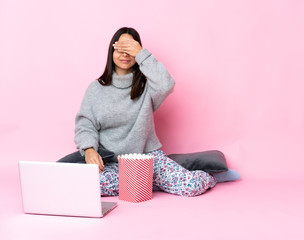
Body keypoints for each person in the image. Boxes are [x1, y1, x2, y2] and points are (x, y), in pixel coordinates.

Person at [63, 27, 219, 197]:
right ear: (111, 51)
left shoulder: (148, 87)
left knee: (191, 187)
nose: (124, 54)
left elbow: (166, 84)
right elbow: (85, 124)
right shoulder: (96, 89)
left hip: (148, 159)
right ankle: (149, 183)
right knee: (89, 186)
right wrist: (89, 149)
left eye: (129, 49)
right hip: (112, 163)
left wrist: (141, 54)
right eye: (120, 48)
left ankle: (212, 176)